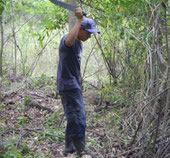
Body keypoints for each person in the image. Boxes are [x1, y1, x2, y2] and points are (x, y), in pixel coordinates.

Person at [56, 8, 100, 157]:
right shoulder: (67, 40)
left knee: (73, 116)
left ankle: (69, 147)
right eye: (88, 33)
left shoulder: (79, 44)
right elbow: (69, 41)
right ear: (80, 29)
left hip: (73, 85)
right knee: (78, 118)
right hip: (68, 86)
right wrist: (79, 20)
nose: (89, 36)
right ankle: (81, 150)